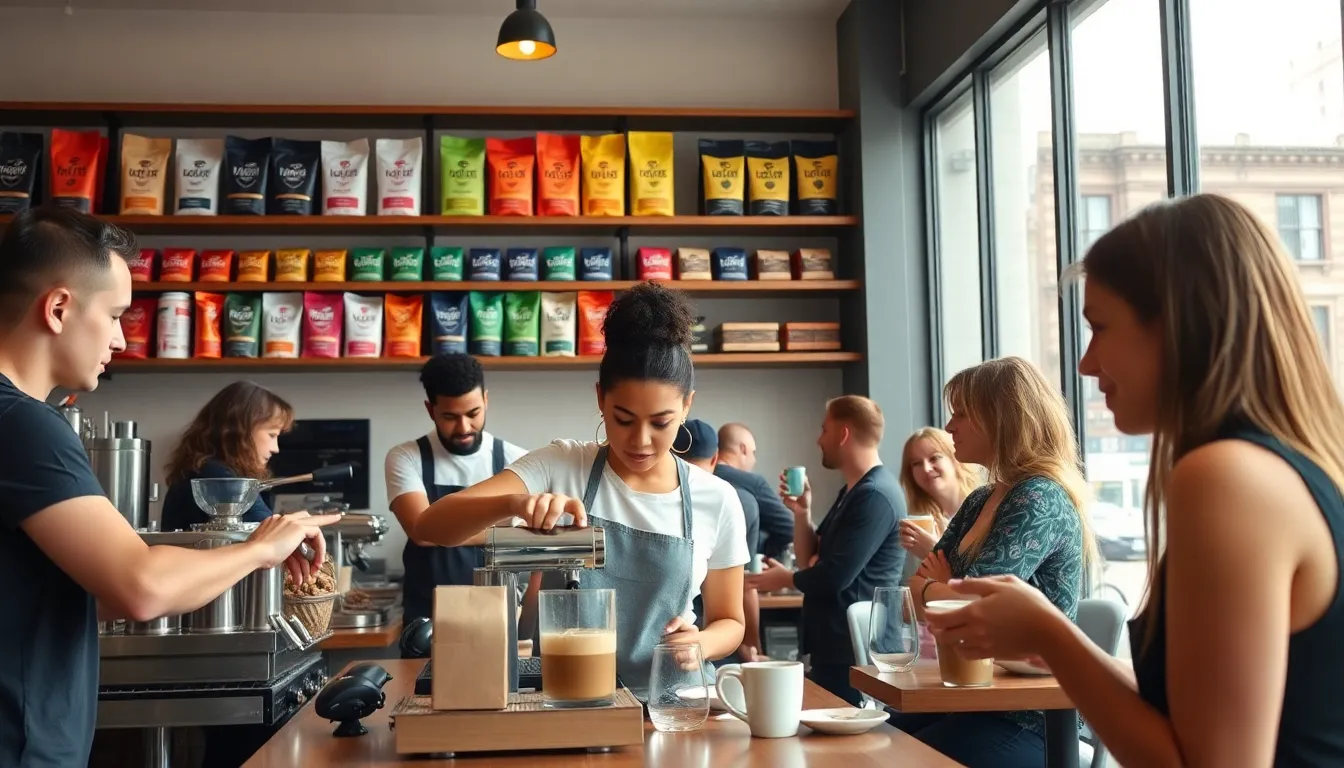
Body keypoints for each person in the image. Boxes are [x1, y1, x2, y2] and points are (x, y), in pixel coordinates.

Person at [926, 194, 1344, 767]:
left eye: (1099, 327)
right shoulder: (1291, 467)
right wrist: (1055, 638)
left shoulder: (1227, 477)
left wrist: (1050, 633)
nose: (1086, 363)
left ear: (1179, 326)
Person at [0, 206, 332, 766]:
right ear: (58, 308)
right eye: (114, 315)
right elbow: (140, 589)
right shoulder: (24, 423)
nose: (122, 338)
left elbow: (76, 593)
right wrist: (257, 550)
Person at [413, 283, 748, 696]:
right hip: (566, 703)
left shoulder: (716, 498)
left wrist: (701, 644)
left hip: (671, 707)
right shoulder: (561, 465)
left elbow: (730, 622)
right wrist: (517, 503)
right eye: (623, 419)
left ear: (687, 406)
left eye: (660, 422)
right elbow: (433, 526)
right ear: (600, 399)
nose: (640, 440)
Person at [904, 356, 1096, 768]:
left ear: (1001, 419)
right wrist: (942, 589)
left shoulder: (1037, 497)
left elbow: (974, 610)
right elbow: (924, 596)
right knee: (870, 747)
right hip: (972, 699)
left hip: (1030, 721)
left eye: (961, 414)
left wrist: (937, 586)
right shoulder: (979, 499)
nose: (950, 426)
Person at [745, 395, 906, 705]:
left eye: (824, 429)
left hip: (858, 653)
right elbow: (810, 560)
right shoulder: (853, 491)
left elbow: (833, 576)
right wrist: (801, 512)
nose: (819, 439)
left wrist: (785, 579)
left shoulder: (875, 496)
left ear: (843, 434)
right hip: (838, 649)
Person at [384, 353, 527, 626]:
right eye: (450, 416)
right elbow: (422, 531)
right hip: (428, 618)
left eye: (473, 413)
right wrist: (505, 530)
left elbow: (529, 537)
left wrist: (446, 526)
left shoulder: (516, 459)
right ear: (430, 410)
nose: (464, 427)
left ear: (486, 400)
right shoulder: (406, 457)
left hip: (498, 616)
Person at [675, 418, 763, 663]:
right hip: (718, 643)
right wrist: (752, 645)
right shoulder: (742, 501)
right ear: (715, 459)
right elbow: (745, 584)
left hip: (670, 644)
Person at [161, 381, 294, 533]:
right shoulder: (219, 478)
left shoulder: (203, 468)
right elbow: (272, 535)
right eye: (272, 435)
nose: (275, 449)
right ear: (241, 431)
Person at [897, 427, 982, 580]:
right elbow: (908, 583)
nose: (926, 468)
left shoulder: (983, 509)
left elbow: (983, 582)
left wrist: (934, 551)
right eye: (916, 463)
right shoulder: (918, 520)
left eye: (934, 458)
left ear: (954, 459)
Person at [716, 422, 794, 559]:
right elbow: (790, 529)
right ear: (743, 449)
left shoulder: (701, 477)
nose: (754, 459)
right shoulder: (753, 483)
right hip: (742, 571)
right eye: (753, 452)